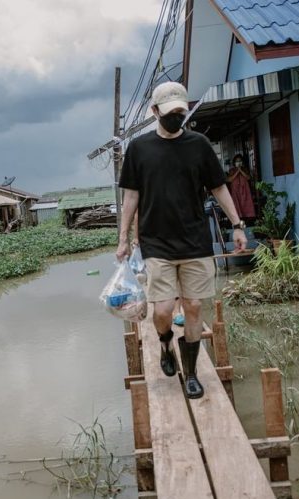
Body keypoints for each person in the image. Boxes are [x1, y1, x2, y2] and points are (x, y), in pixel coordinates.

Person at [115, 81, 247, 399]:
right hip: (157, 243)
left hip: (195, 241)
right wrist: (123, 238)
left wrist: (237, 225)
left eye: (180, 112)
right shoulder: (139, 149)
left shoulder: (199, 145)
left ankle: (190, 374)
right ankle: (164, 345)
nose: (176, 117)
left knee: (193, 307)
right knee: (161, 312)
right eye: (170, 112)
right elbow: (130, 196)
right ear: (155, 111)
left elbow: (219, 188)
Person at [226, 153, 256, 220]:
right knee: (237, 205)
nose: (238, 162)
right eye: (237, 161)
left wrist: (241, 170)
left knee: (246, 205)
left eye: (240, 161)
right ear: (234, 162)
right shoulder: (232, 170)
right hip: (236, 191)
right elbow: (229, 180)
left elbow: (248, 178)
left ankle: (249, 219)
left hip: (245, 190)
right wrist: (237, 172)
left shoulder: (245, 169)